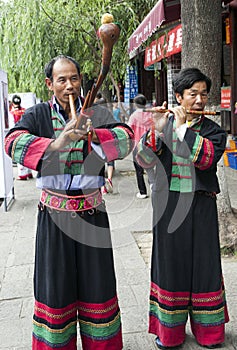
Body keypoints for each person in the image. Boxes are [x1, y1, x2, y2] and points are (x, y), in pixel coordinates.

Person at [5, 54, 134, 350]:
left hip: (92, 215)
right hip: (54, 218)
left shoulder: (96, 113)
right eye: (62, 80)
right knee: (56, 290)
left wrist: (96, 135)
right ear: (50, 84)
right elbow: (12, 142)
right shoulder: (38, 114)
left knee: (98, 287)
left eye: (74, 79)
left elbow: (126, 137)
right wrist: (57, 142)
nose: (69, 86)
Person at [135, 68, 229, 349]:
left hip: (201, 204)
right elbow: (143, 159)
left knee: (205, 266)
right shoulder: (165, 125)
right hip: (169, 206)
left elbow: (206, 159)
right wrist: (155, 130)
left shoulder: (213, 130)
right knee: (169, 267)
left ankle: (209, 333)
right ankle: (170, 333)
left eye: (203, 94)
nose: (199, 100)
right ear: (178, 97)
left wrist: (180, 129)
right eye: (192, 94)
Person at [128, 94, 155, 199]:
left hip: (137, 145)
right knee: (150, 166)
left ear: (135, 104)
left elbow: (129, 130)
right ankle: (154, 186)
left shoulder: (134, 116)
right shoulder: (150, 114)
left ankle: (143, 192)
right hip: (148, 145)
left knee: (139, 170)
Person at [9, 94, 33, 180]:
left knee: (20, 153)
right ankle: (29, 173)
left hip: (18, 134)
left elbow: (11, 125)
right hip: (27, 133)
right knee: (28, 152)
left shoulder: (11, 113)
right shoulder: (24, 111)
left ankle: (23, 174)